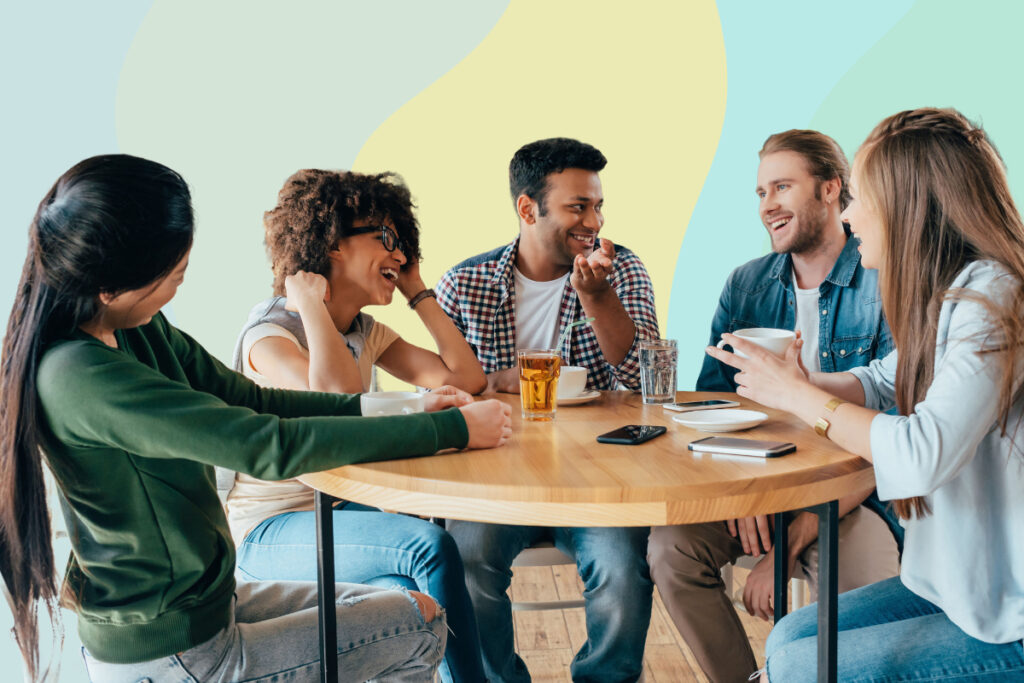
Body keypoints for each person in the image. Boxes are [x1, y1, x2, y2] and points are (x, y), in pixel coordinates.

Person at [0, 154, 512, 683]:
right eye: (174, 274)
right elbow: (264, 444)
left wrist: (406, 406)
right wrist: (448, 431)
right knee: (417, 623)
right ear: (111, 284)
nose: (181, 283)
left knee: (412, 605)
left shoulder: (135, 326)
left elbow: (252, 401)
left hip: (211, 605)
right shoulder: (77, 376)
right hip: (172, 650)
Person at [705, 108, 1024, 681]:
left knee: (800, 664)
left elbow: (921, 454)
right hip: (953, 588)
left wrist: (802, 399)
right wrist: (794, 382)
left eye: (860, 197)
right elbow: (882, 380)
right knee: (788, 637)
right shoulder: (950, 293)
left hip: (1011, 617)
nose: (848, 214)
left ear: (909, 206)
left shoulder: (996, 302)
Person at [648, 130, 900, 681]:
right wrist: (739, 489)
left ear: (832, 189)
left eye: (782, 187)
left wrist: (790, 538)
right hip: (754, 484)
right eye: (761, 192)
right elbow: (709, 407)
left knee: (868, 598)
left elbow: (893, 440)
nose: (768, 206)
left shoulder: (884, 281)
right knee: (672, 549)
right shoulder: (746, 284)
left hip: (851, 490)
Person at [226, 168, 488, 683]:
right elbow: (335, 399)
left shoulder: (365, 331)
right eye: (387, 238)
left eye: (403, 243)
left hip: (341, 515)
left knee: (411, 596)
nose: (399, 254)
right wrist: (307, 303)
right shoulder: (269, 335)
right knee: (429, 547)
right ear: (333, 244)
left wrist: (417, 290)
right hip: (270, 534)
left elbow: (467, 377)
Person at [436, 137, 659, 682]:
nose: (594, 220)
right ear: (528, 208)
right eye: (578, 206)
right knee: (461, 564)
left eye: (598, 205)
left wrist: (597, 297)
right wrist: (495, 381)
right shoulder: (463, 284)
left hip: (597, 479)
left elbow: (646, 385)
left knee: (623, 568)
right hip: (494, 480)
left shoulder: (620, 271)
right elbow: (439, 394)